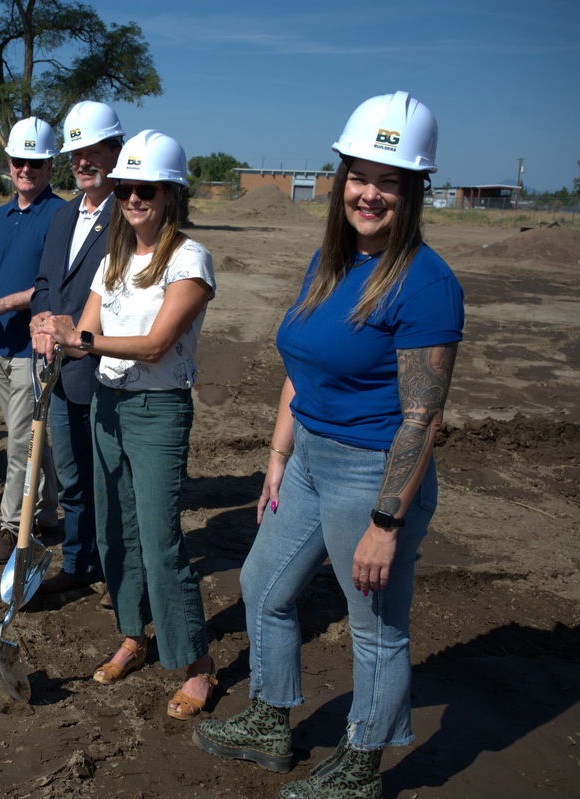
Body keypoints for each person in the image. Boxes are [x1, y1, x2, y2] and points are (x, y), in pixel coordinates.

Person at [192, 91, 462, 799]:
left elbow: (422, 416)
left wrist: (386, 523)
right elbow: (301, 367)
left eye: (389, 181)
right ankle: (270, 721)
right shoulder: (330, 262)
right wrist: (278, 458)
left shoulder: (426, 283)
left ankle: (362, 764)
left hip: (373, 475)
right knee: (263, 585)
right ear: (340, 178)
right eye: (359, 175)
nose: (369, 193)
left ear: (414, 190)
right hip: (309, 459)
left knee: (376, 629)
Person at [32, 129, 217, 720]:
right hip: (107, 404)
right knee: (115, 530)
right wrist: (53, 332)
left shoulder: (189, 260)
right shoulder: (114, 257)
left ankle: (196, 663)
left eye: (147, 189)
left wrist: (81, 340)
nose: (133, 198)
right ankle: (133, 636)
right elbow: (83, 328)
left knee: (160, 540)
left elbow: (157, 344)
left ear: (171, 194)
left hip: (158, 411)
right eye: (125, 188)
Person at [0, 116, 64, 566]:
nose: (26, 169)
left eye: (35, 163)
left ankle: (11, 525)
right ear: (9, 164)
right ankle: (50, 511)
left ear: (49, 166)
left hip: (33, 346)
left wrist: (1, 303)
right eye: (20, 161)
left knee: (21, 441)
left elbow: (49, 284)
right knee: (31, 435)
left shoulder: (60, 215)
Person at [30, 101, 123, 600]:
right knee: (71, 477)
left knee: (109, 476)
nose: (83, 162)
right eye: (76, 154)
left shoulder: (129, 215)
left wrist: (78, 335)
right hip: (60, 369)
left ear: (115, 152)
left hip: (106, 368)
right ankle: (78, 561)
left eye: (93, 152)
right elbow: (47, 281)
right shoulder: (65, 215)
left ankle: (115, 571)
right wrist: (42, 321)